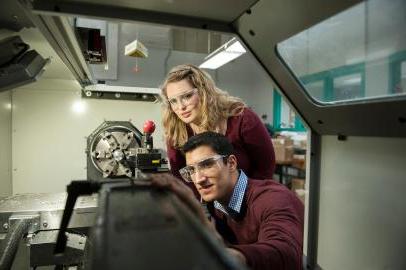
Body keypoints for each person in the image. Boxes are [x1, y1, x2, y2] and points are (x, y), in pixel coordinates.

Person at [151, 132, 304, 270]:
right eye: (191, 170)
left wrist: (227, 255)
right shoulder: (214, 202)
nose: (198, 180)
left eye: (207, 165)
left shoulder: (274, 198)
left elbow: (285, 253)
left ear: (231, 163)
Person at [161, 64, 275, 185]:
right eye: (173, 101)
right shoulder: (176, 132)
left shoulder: (242, 119)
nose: (181, 107)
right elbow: (180, 178)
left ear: (204, 92)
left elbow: (265, 168)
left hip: (246, 197)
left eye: (187, 96)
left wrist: (247, 199)